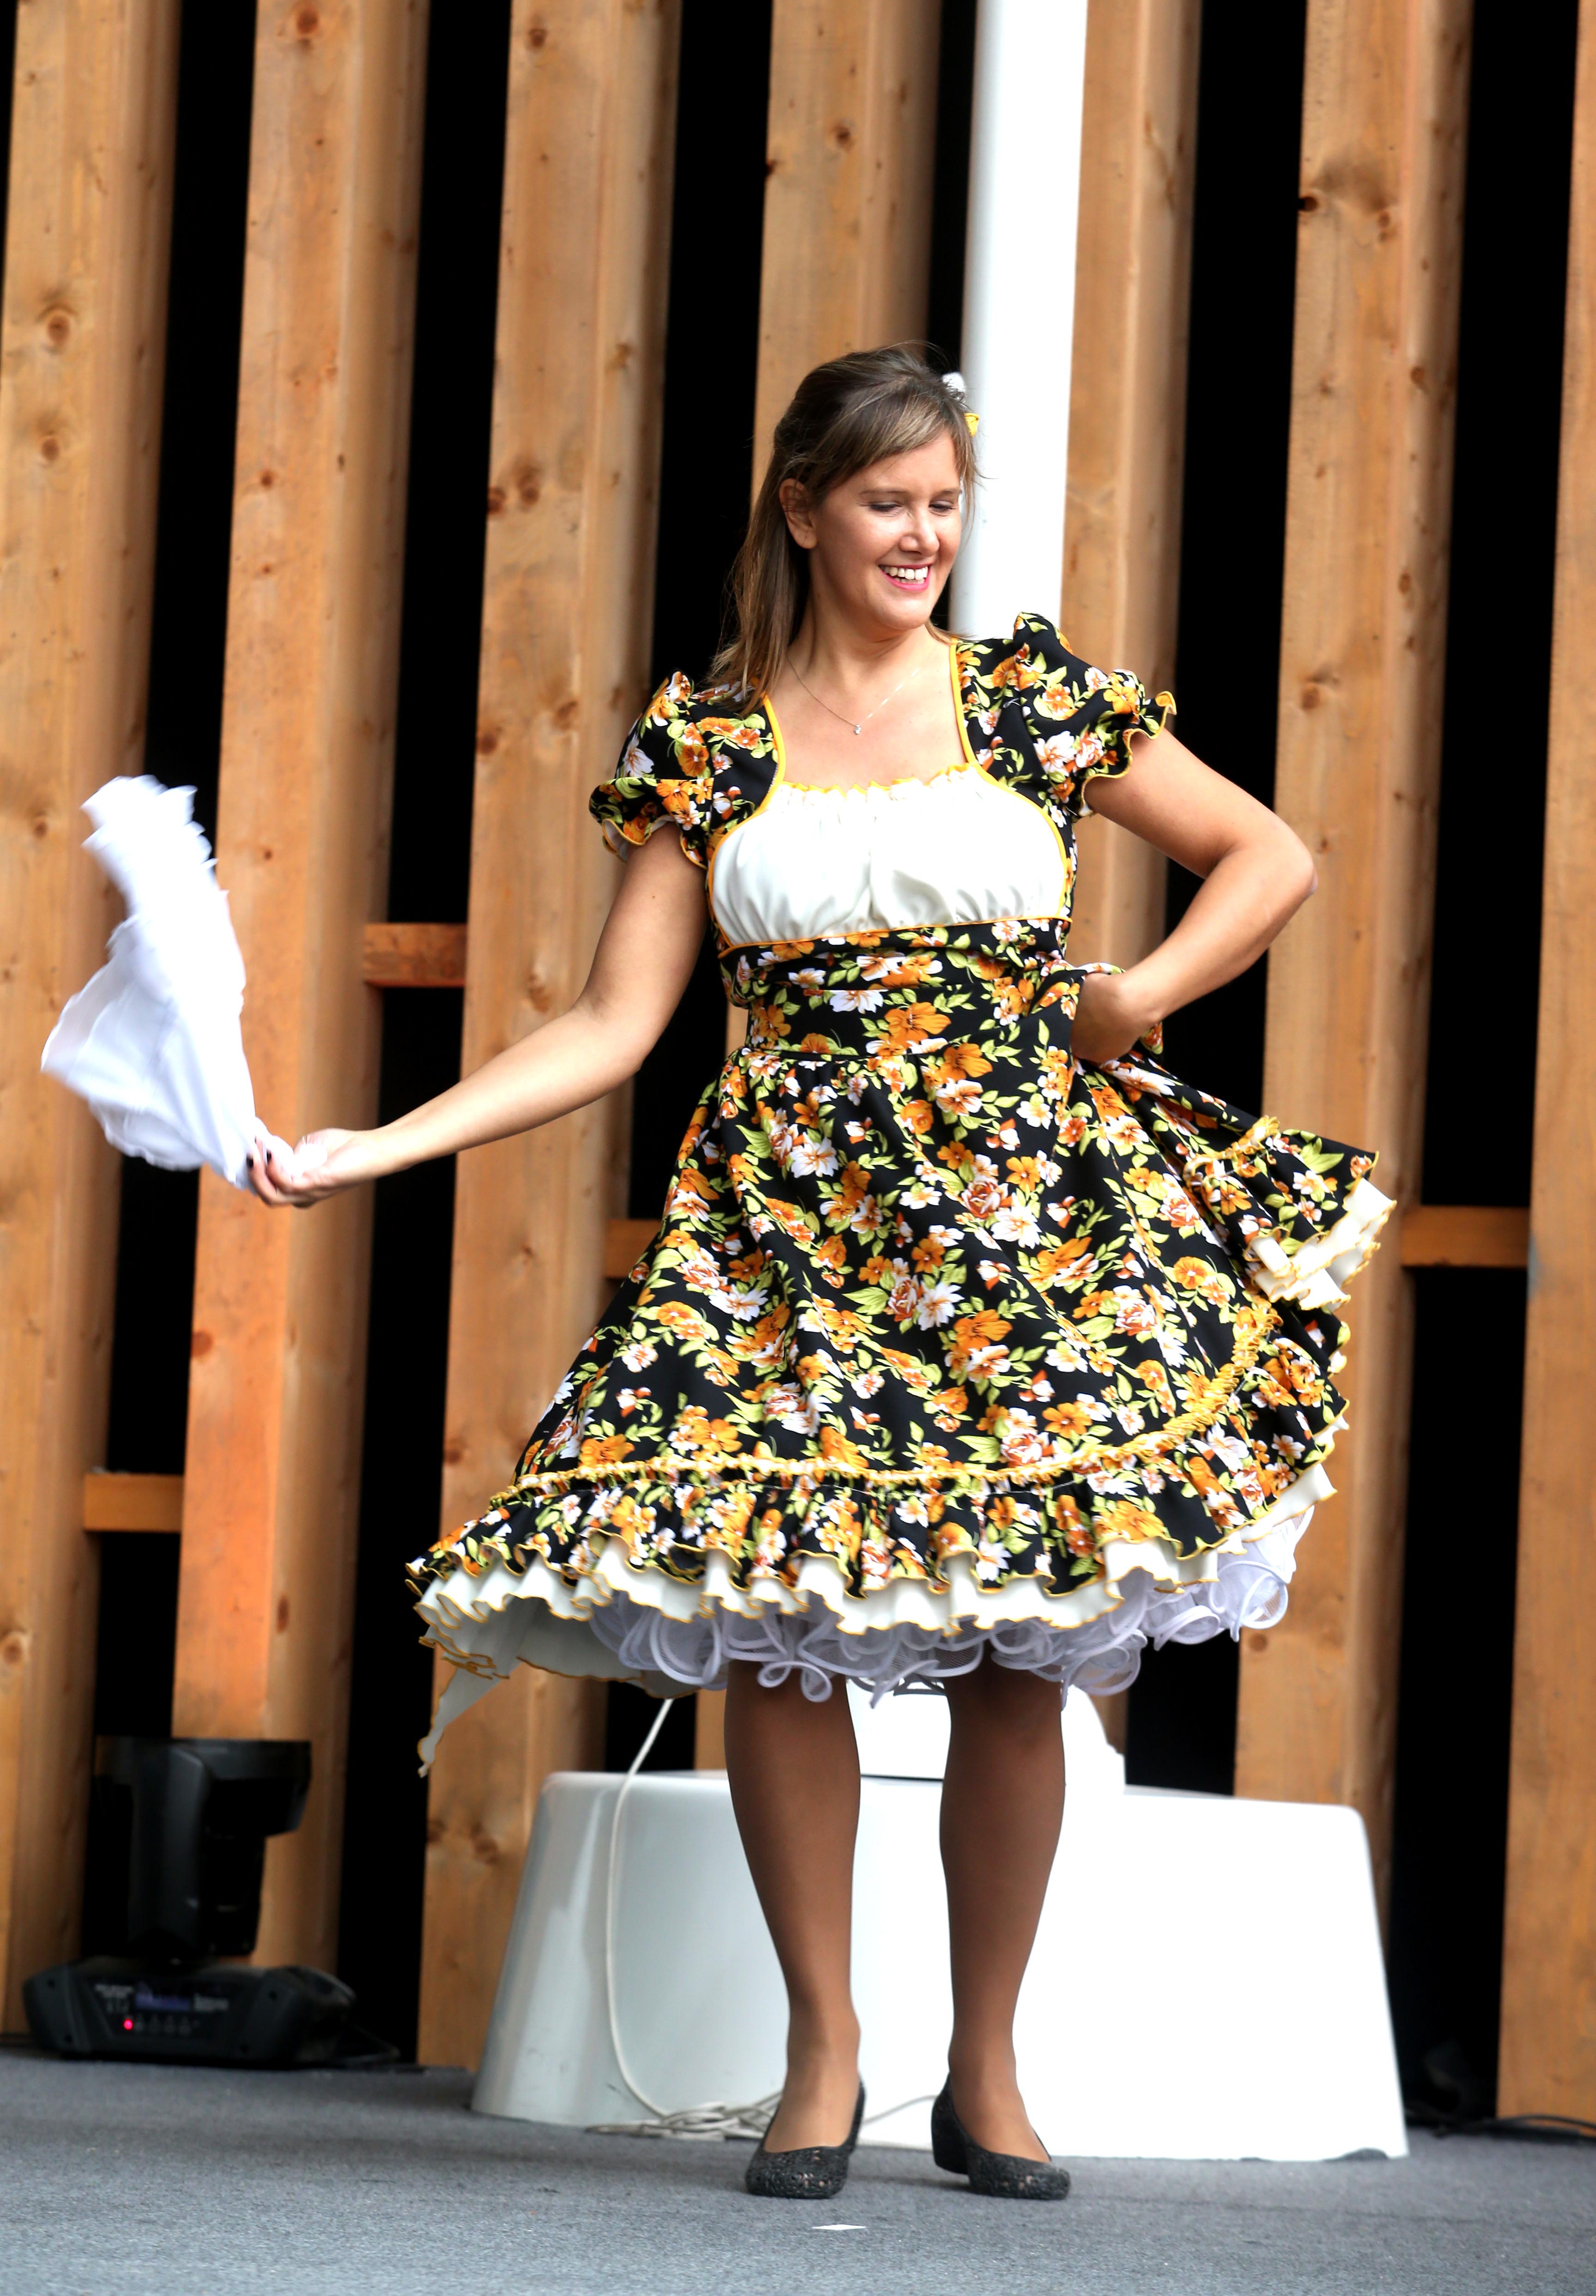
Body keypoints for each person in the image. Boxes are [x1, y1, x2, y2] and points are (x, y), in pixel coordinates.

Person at [250, 345, 1389, 2201]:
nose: (922, 536)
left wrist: (1139, 998)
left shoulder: (1025, 699)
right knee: (776, 1627)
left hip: (1017, 1230)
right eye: (887, 503)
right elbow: (613, 1026)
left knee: (1021, 1646)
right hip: (787, 1228)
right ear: (804, 509)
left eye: (944, 503)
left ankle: (987, 2071)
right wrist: (373, 1146)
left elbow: (1268, 853)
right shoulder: (712, 737)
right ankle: (822, 2053)